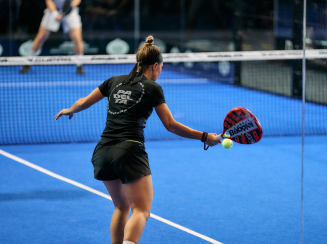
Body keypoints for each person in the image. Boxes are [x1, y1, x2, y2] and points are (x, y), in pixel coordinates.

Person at [55, 35, 220, 244]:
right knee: (141, 211)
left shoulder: (113, 82)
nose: (160, 71)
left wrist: (70, 109)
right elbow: (170, 124)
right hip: (129, 152)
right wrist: (205, 137)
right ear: (154, 66)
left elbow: (83, 103)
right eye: (161, 67)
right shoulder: (153, 88)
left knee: (120, 207)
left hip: (103, 152)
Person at [20, 0, 85, 74]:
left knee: (77, 38)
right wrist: (55, 14)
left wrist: (66, 11)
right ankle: (28, 62)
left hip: (70, 10)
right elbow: (49, 0)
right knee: (41, 37)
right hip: (52, 11)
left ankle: (79, 65)